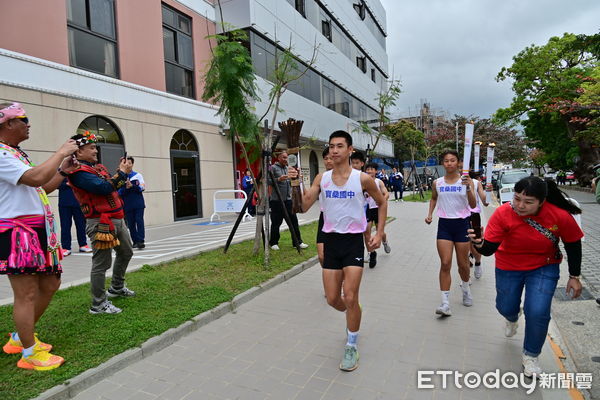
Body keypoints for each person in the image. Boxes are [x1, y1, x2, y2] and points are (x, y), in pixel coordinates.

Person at [291, 130, 387, 372]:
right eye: (331, 146)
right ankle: (353, 313)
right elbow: (302, 207)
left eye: (339, 146)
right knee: (334, 299)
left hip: (353, 241)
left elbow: (382, 202)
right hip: (331, 242)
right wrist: (295, 182)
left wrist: (378, 232)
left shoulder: (362, 179)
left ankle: (351, 345)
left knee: (351, 295)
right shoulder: (321, 179)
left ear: (350, 150)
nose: (334, 150)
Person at [469, 177, 583, 377]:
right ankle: (512, 318)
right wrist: (478, 243)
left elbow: (573, 244)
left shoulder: (559, 215)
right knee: (505, 307)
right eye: (517, 198)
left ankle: (531, 356)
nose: (520, 205)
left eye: (528, 202)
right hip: (508, 265)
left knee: (537, 311)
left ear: (542, 201)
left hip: (544, 266)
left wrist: (574, 276)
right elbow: (488, 250)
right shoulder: (503, 213)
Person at [0, 102, 79, 370]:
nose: (28, 124)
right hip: (18, 231)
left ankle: (19, 338)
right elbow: (35, 178)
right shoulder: (1, 154)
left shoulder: (15, 153)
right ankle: (30, 354)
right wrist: (60, 152)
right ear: (7, 124)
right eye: (24, 119)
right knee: (27, 293)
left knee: (50, 283)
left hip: (38, 229)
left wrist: (63, 170)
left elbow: (44, 185)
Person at [66, 131, 135, 314]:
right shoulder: (78, 172)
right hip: (100, 221)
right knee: (101, 263)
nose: (96, 150)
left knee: (126, 252)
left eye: (95, 147)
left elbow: (111, 185)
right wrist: (122, 173)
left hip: (116, 218)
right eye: (91, 147)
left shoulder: (98, 167)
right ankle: (98, 304)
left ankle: (117, 287)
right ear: (78, 152)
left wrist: (122, 177)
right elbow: (104, 187)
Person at [425, 150, 476, 316]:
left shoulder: (466, 182)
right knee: (445, 263)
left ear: (458, 162)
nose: (449, 163)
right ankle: (445, 303)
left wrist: (468, 188)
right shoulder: (437, 183)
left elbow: (473, 204)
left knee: (463, 264)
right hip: (445, 225)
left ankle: (466, 288)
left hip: (462, 225)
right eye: (446, 161)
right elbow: (433, 198)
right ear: (443, 163)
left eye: (452, 160)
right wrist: (430, 214)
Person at [268, 151, 308, 250]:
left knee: (294, 221)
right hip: (276, 201)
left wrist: (299, 179)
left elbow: (292, 183)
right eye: (284, 157)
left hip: (288, 200)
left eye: (287, 158)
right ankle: (273, 243)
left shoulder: (288, 169)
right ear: (278, 158)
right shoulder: (272, 168)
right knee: (276, 222)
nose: (286, 160)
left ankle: (297, 242)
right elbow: (267, 181)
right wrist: (278, 179)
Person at [364, 162, 391, 268]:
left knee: (381, 232)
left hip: (378, 209)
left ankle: (384, 242)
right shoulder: (362, 181)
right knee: (366, 232)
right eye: (368, 169)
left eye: (372, 169)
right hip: (367, 210)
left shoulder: (378, 181)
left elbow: (386, 193)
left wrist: (382, 201)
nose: (369, 171)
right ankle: (370, 253)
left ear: (376, 171)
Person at [58, 178, 92, 256]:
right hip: (64, 203)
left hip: (79, 202)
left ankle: (83, 244)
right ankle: (66, 247)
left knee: (81, 224)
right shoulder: (61, 171)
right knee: (65, 225)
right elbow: (55, 184)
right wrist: (66, 184)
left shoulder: (78, 170)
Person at [118, 157, 146, 249]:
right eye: (126, 163)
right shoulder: (120, 177)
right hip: (127, 204)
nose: (128, 165)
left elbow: (142, 188)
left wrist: (132, 186)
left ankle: (141, 241)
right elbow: (118, 192)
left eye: (129, 163)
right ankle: (135, 241)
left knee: (139, 221)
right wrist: (126, 187)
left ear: (132, 164)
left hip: (138, 203)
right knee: (131, 223)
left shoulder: (138, 175)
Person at [468, 171, 489, 279]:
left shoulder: (476, 183)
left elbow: (485, 202)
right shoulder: (451, 183)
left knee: (475, 242)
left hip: (473, 215)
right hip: (458, 217)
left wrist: (488, 193)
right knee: (463, 243)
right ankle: (465, 277)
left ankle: (477, 262)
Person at [317, 147, 334, 268]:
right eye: (325, 158)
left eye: (331, 158)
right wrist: (298, 182)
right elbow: (306, 201)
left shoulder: (349, 177)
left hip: (342, 218)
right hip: (324, 217)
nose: (328, 161)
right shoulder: (321, 177)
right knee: (322, 256)